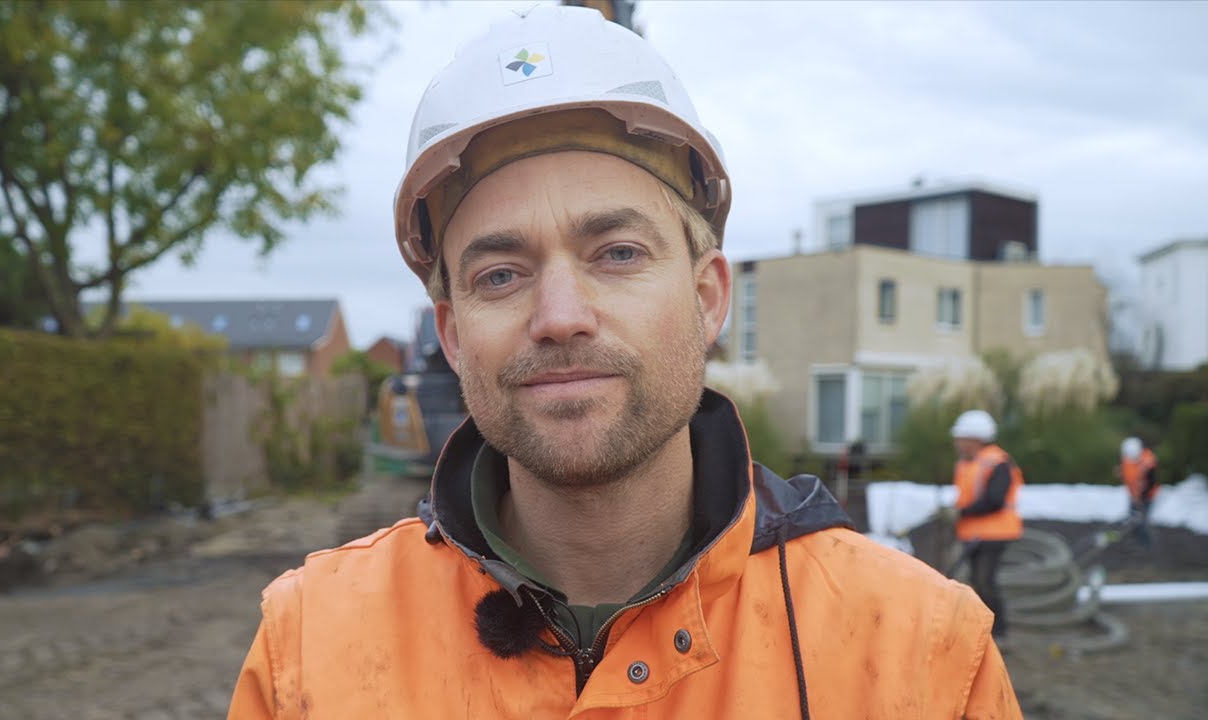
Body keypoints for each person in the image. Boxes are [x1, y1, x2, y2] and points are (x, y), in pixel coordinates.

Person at [228, 7, 1021, 718]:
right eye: (500, 274)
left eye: (617, 252)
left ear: (710, 297)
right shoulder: (310, 649)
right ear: (453, 334)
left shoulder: (924, 659)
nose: (560, 318)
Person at [946, 409, 1024, 643]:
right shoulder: (967, 464)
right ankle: (986, 629)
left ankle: (999, 632)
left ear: (975, 439)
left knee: (984, 581)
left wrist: (961, 512)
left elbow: (995, 500)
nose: (956, 443)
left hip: (995, 533)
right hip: (974, 532)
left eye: (961, 438)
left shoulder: (998, 463)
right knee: (977, 582)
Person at [1119, 436, 1158, 547]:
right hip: (1134, 495)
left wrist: (1142, 497)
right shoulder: (1127, 461)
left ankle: (1146, 545)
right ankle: (1135, 542)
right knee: (1132, 518)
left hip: (1147, 496)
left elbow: (1151, 482)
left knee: (1142, 520)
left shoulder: (1148, 462)